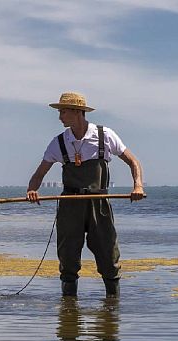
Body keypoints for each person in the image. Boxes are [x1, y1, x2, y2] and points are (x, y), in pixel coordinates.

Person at [26, 92, 144, 297]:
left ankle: (112, 310)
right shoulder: (59, 142)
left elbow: (133, 161)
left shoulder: (104, 135)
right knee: (68, 257)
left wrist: (138, 186)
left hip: (99, 203)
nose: (60, 117)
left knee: (108, 254)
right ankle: (69, 313)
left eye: (63, 111)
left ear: (77, 112)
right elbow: (39, 174)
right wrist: (32, 190)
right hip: (70, 205)